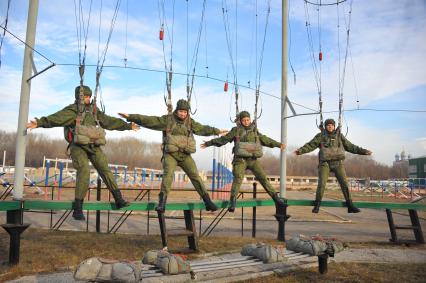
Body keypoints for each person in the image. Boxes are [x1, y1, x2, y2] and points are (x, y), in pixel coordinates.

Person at [27, 85, 139, 220]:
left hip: (93, 145)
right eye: (85, 96)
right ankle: (78, 207)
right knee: (84, 170)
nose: (88, 99)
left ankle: (118, 199)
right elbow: (56, 118)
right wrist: (39, 123)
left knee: (105, 169)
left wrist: (127, 126)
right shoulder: (72, 110)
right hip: (78, 146)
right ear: (79, 97)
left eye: (89, 96)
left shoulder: (94, 111)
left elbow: (109, 122)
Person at [119, 99, 227, 213]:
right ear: (177, 110)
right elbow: (150, 120)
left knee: (195, 176)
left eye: (185, 112)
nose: (183, 114)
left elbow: (203, 129)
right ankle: (162, 203)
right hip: (170, 155)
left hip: (185, 155)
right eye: (181, 111)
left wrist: (217, 131)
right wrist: (130, 117)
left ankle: (208, 202)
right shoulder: (168, 120)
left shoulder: (190, 122)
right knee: (168, 175)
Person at [201, 111, 286, 212]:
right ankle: (232, 202)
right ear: (240, 121)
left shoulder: (254, 130)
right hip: (240, 160)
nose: (246, 122)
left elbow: (264, 139)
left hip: (252, 160)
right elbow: (223, 139)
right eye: (244, 120)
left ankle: (276, 199)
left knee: (263, 178)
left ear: (250, 120)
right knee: (238, 179)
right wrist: (209, 143)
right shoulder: (236, 130)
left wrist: (277, 144)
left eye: (247, 120)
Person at [295, 118, 372, 213]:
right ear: (325, 126)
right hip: (325, 163)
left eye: (332, 125)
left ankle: (350, 205)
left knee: (344, 184)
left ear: (334, 126)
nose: (330, 126)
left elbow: (351, 146)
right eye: (328, 125)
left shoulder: (339, 136)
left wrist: (364, 151)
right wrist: (300, 151)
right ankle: (317, 205)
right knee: (322, 183)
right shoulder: (321, 136)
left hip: (338, 163)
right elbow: (311, 145)